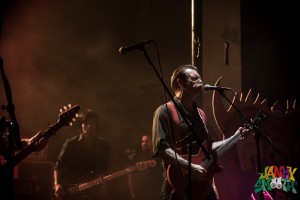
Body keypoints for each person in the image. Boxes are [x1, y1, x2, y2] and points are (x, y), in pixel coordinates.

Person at [152, 64, 250, 200]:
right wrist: (190, 167)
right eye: (194, 78)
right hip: (178, 185)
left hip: (203, 186)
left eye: (200, 78)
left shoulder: (201, 114)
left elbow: (208, 147)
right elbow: (161, 149)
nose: (200, 81)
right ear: (180, 82)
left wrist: (235, 137)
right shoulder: (165, 111)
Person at [53, 109, 111, 200]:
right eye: (86, 123)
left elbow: (103, 170)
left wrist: (103, 185)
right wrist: (57, 185)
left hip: (91, 190)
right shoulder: (70, 144)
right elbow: (58, 166)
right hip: (70, 190)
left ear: (96, 125)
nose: (89, 126)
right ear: (81, 125)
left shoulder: (104, 146)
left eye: (92, 123)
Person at [127, 134, 162, 200]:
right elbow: (130, 177)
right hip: (140, 194)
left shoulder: (158, 156)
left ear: (152, 142)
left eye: (147, 141)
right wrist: (132, 193)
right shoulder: (136, 158)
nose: (144, 143)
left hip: (155, 193)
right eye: (143, 141)